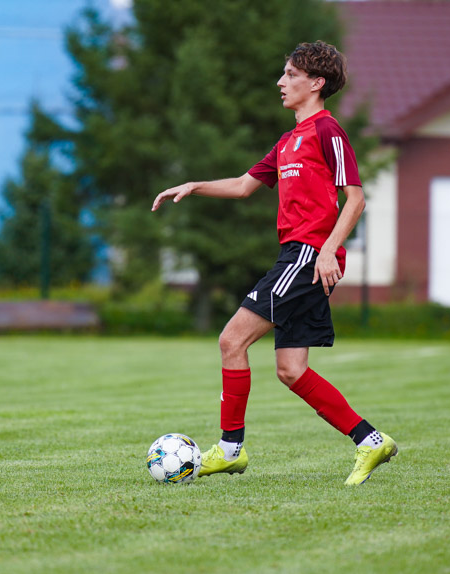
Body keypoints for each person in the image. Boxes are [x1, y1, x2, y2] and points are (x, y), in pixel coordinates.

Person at [151, 41, 397, 485]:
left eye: (290, 74)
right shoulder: (287, 142)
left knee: (232, 340)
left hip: (308, 256)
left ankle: (229, 450)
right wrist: (193, 185)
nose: (280, 82)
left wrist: (326, 250)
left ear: (316, 83)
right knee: (290, 369)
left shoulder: (329, 132)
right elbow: (245, 185)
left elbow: (356, 199)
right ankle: (370, 441)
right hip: (299, 255)